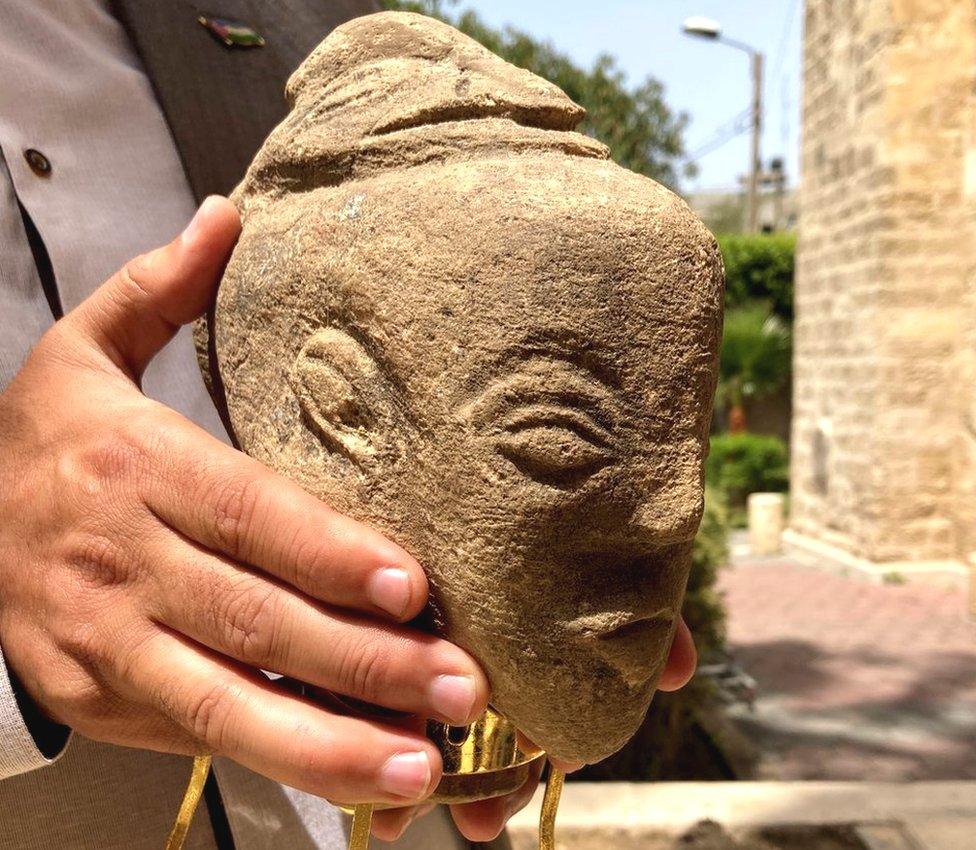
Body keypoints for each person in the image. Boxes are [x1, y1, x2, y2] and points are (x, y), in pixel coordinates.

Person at [0, 2, 697, 848]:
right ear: (340, 403)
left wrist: (546, 585)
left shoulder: (297, 16)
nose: (678, 510)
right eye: (556, 438)